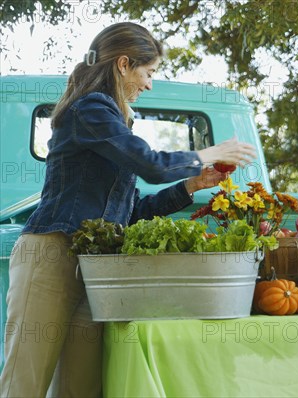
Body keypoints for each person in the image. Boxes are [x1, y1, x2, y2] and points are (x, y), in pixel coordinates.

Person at [0, 22, 256, 397]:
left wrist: (190, 185)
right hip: (51, 257)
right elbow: (150, 163)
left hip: (95, 268)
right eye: (148, 72)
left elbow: (131, 211)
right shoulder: (91, 109)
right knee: (24, 385)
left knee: (83, 389)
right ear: (123, 64)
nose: (149, 83)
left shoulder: (116, 123)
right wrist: (207, 153)